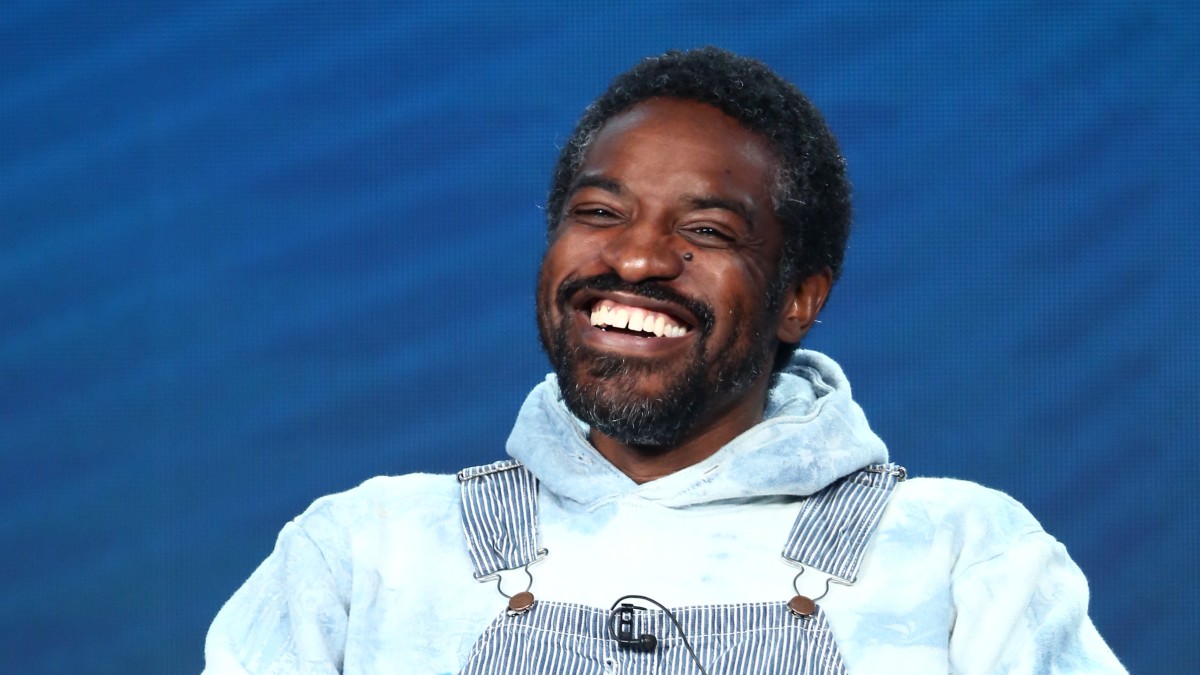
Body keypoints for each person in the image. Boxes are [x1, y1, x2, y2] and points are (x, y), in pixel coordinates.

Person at [204, 47, 1125, 674]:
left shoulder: (965, 562)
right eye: (599, 213)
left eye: (706, 230)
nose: (636, 259)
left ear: (800, 297)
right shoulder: (367, 554)